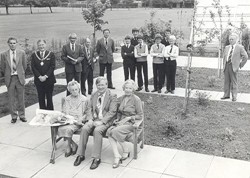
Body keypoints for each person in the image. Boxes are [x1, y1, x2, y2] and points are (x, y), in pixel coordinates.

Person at [74, 77, 117, 169]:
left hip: (106, 120)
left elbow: (112, 112)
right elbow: (89, 108)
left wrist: (102, 122)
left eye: (102, 85)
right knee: (85, 128)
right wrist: (89, 119)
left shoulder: (112, 96)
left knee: (97, 131)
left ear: (106, 84)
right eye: (98, 85)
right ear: (96, 85)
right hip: (94, 119)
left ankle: (96, 158)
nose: (100, 87)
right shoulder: (94, 94)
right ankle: (80, 155)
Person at [107, 79, 143, 168]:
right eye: (126, 88)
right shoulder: (121, 98)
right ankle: (118, 155)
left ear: (133, 89)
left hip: (132, 124)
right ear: (123, 88)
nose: (127, 90)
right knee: (109, 131)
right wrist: (117, 119)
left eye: (130, 88)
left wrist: (130, 117)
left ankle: (125, 151)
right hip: (121, 122)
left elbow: (140, 116)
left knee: (113, 132)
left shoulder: (136, 99)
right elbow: (119, 111)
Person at [57, 80, 88, 157]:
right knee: (60, 128)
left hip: (79, 121)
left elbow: (86, 113)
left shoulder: (84, 99)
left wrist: (79, 120)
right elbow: (64, 112)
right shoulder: (67, 99)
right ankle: (73, 145)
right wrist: (69, 119)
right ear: (69, 90)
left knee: (68, 129)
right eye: (72, 90)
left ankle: (69, 146)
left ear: (79, 89)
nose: (74, 91)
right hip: (69, 120)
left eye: (76, 89)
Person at [0, 37, 27, 123]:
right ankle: (14, 116)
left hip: (19, 78)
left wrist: (20, 74)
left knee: (21, 98)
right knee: (11, 99)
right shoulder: (4, 54)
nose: (12, 45)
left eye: (14, 43)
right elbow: (3, 68)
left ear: (17, 43)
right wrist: (8, 75)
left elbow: (24, 65)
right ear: (8, 44)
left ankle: (22, 115)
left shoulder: (21, 53)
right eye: (11, 43)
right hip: (10, 78)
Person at [221, 33, 248, 101]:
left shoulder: (240, 47)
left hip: (234, 66)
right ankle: (226, 95)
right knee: (226, 81)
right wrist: (224, 65)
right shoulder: (227, 47)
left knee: (234, 81)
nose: (231, 40)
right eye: (230, 39)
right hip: (226, 66)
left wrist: (240, 65)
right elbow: (224, 57)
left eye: (232, 39)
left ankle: (234, 96)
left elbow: (245, 57)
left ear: (236, 40)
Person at [31, 39, 56, 110]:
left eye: (42, 45)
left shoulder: (51, 54)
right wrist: (39, 76)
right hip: (39, 80)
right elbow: (33, 67)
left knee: (49, 97)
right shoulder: (34, 55)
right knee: (41, 97)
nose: (41, 46)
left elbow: (52, 66)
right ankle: (42, 114)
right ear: (37, 46)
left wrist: (45, 76)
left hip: (49, 80)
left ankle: (50, 113)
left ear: (45, 45)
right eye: (39, 45)